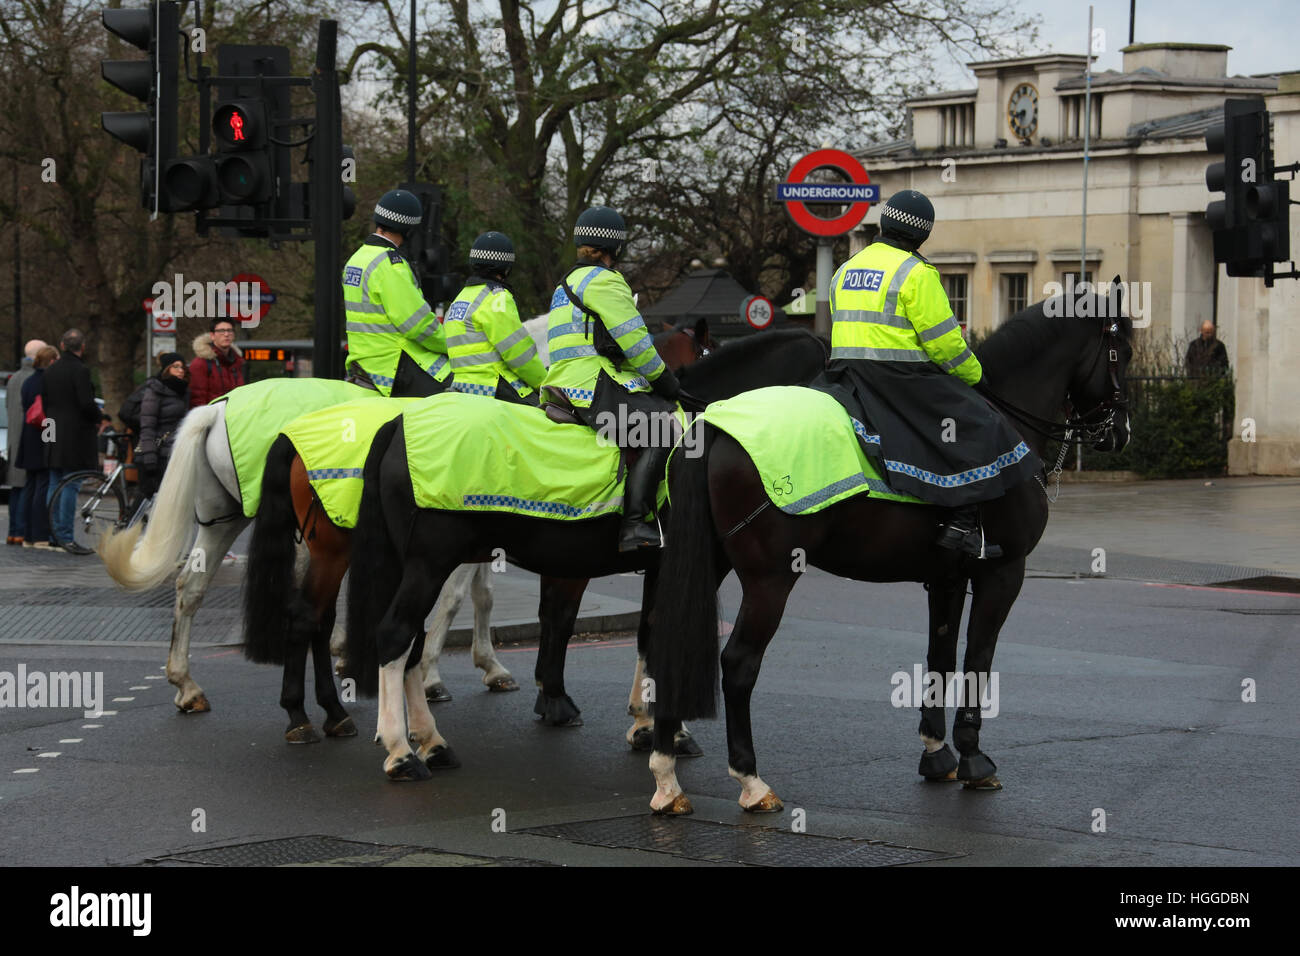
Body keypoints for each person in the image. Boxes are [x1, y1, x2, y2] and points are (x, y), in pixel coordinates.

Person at [813, 189, 1039, 559]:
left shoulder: (845, 269)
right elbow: (944, 345)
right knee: (981, 424)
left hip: (843, 377)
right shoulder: (916, 273)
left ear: (883, 224)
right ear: (921, 236)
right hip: (898, 380)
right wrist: (976, 376)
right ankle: (962, 524)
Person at [540, 205, 685, 551]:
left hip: (561, 381)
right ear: (615, 248)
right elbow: (636, 343)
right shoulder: (605, 281)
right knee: (661, 428)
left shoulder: (566, 283)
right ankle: (635, 524)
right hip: (591, 384)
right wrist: (665, 380)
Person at [342, 189, 450, 395]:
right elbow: (417, 325)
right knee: (463, 390)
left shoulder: (356, 259)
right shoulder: (391, 265)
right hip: (391, 365)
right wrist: (451, 345)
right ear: (408, 229)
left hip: (362, 362)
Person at [444, 231, 547, 404]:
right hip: (495, 386)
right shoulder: (497, 297)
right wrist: (544, 383)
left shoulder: (461, 298)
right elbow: (518, 354)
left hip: (462, 387)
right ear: (506, 268)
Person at [43, 329, 104, 555]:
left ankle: (52, 533)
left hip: (52, 429)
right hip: (74, 434)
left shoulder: (50, 370)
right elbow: (86, 403)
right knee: (71, 483)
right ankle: (65, 535)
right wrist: (100, 418)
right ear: (82, 347)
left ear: (61, 345)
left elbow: (46, 401)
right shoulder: (80, 370)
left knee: (53, 482)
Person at [17, 346, 59, 549]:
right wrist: (51, 440)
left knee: (30, 486)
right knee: (43, 485)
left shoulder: (28, 381)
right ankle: (40, 534)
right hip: (44, 435)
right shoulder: (48, 382)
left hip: (29, 437)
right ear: (51, 361)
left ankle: (27, 534)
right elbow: (49, 415)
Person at [5, 339, 46, 545]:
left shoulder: (14, 378)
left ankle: (14, 531)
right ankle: (21, 530)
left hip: (14, 438)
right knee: (27, 486)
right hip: (28, 438)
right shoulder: (35, 379)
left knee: (16, 488)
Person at [135, 352, 190, 502]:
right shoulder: (155, 390)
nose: (181, 370)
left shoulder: (183, 391)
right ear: (166, 369)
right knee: (146, 501)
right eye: (176, 367)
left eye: (182, 367)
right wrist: (149, 457)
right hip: (155, 454)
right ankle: (130, 525)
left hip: (172, 452)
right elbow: (147, 425)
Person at [189, 318, 245, 407]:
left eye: (230, 330)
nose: (226, 334)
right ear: (212, 335)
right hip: (211, 417)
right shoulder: (200, 363)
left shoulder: (236, 362)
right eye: (221, 331)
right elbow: (197, 399)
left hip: (233, 416)